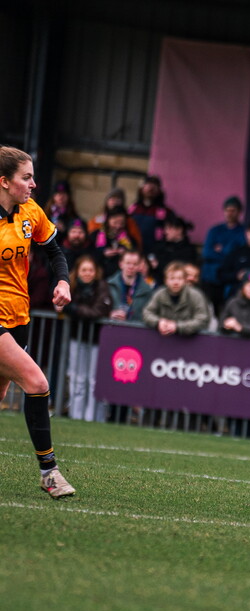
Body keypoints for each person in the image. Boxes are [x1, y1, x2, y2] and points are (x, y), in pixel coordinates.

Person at [0, 146, 76, 498]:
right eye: (26, 177)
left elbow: (55, 252)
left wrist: (63, 281)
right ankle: (50, 473)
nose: (33, 184)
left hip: (20, 316)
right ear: (4, 182)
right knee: (37, 382)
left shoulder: (31, 212)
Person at [64, 255, 112, 421]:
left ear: (96, 272)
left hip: (97, 340)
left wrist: (75, 309)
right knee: (77, 378)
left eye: (90, 270)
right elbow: (61, 303)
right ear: (77, 271)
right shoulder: (72, 286)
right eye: (84, 270)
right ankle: (75, 416)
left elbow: (98, 311)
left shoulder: (102, 287)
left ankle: (91, 417)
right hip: (76, 337)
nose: (87, 273)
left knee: (93, 380)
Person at [142, 261, 210, 337]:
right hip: (163, 340)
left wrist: (177, 326)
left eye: (179, 279)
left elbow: (203, 320)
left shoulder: (196, 295)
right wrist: (158, 322)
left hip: (189, 341)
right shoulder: (159, 294)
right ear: (166, 281)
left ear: (185, 280)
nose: (176, 282)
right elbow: (147, 313)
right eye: (172, 278)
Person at [201, 196, 246, 310]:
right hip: (211, 276)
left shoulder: (242, 232)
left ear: (239, 212)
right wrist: (228, 252)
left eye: (233, 210)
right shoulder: (215, 230)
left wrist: (222, 250)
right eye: (227, 210)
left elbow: (237, 256)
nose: (230, 213)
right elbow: (206, 253)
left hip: (229, 277)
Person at [128, 175, 173, 253]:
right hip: (133, 249)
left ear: (159, 191)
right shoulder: (133, 208)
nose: (151, 189)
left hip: (154, 251)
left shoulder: (166, 211)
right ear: (141, 189)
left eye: (154, 187)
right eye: (148, 186)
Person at [107, 250, 154, 323]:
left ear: (139, 266)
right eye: (128, 263)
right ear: (121, 264)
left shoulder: (147, 290)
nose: (131, 267)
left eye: (135, 264)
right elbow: (99, 309)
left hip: (134, 332)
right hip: (112, 329)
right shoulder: (108, 285)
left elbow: (150, 314)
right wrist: (108, 314)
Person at [92, 206, 138, 279]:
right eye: (115, 223)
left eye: (121, 223)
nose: (118, 226)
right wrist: (103, 253)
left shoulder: (129, 238)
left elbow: (136, 254)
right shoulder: (96, 235)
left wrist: (125, 253)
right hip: (100, 276)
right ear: (108, 220)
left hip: (122, 277)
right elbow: (89, 255)